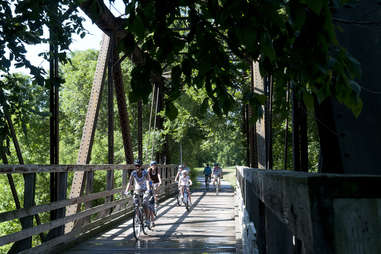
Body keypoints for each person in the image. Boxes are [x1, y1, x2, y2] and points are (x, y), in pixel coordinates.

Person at [125, 159, 151, 227]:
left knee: (145, 203)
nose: (137, 167)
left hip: (145, 190)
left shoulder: (145, 172)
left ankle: (147, 219)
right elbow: (130, 182)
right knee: (135, 204)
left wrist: (148, 189)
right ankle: (139, 218)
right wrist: (126, 191)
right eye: (136, 166)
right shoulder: (133, 173)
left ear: (141, 166)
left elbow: (148, 181)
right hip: (137, 190)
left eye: (138, 166)